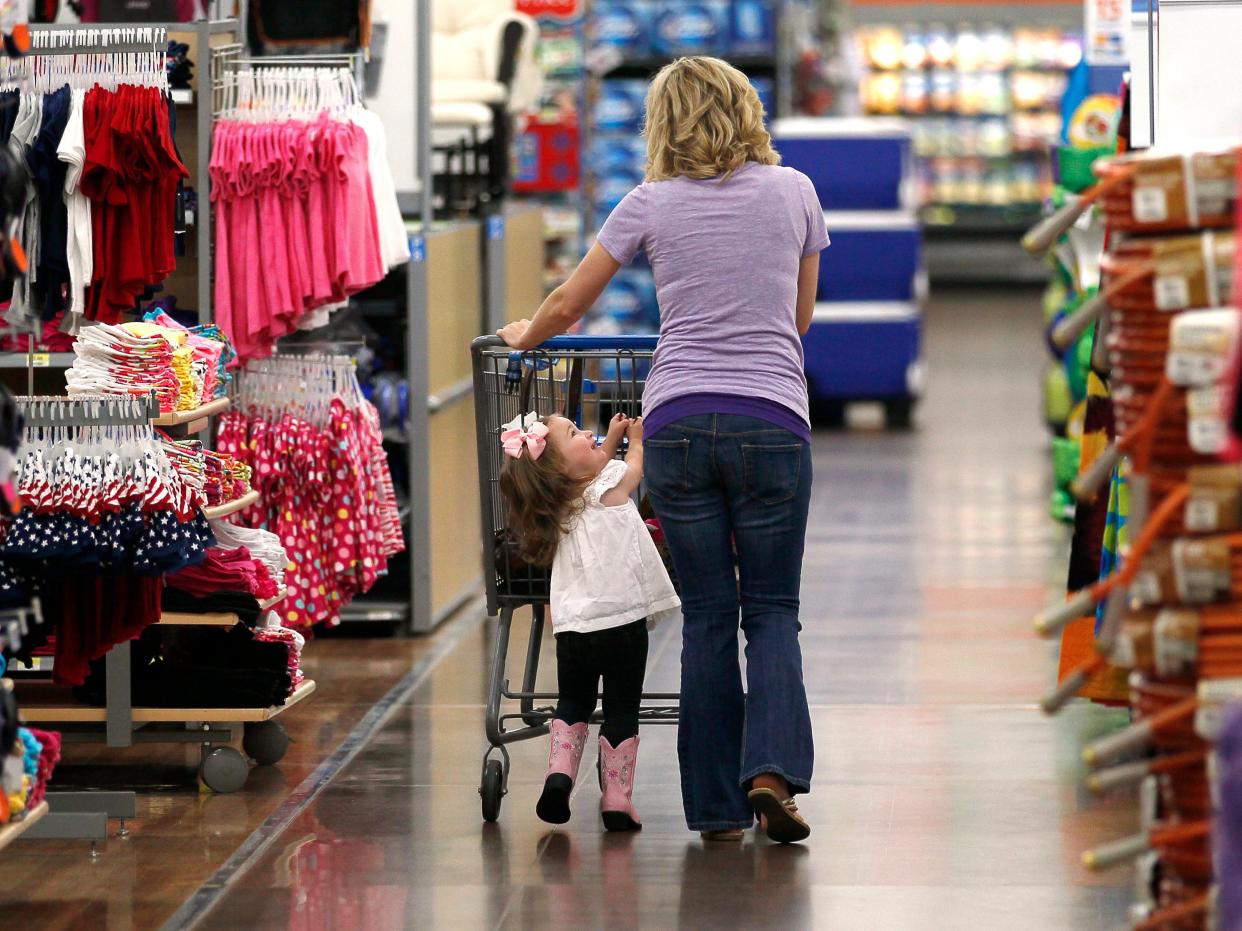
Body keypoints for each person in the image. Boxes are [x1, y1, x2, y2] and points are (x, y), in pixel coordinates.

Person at [498, 56, 828, 844]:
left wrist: (526, 337)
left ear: (662, 124)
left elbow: (569, 300)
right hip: (772, 419)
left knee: (709, 614)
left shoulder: (649, 202)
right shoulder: (796, 193)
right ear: (747, 110)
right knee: (772, 611)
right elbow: (800, 318)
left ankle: (714, 809)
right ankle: (771, 774)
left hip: (677, 421)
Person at [498, 410, 680, 831]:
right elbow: (633, 470)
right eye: (575, 434)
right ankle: (616, 799)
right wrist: (632, 440)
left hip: (574, 628)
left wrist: (606, 440)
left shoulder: (553, 507)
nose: (588, 435)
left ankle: (559, 777)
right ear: (561, 467)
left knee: (573, 701)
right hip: (623, 624)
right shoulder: (609, 485)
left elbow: (589, 464)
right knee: (621, 707)